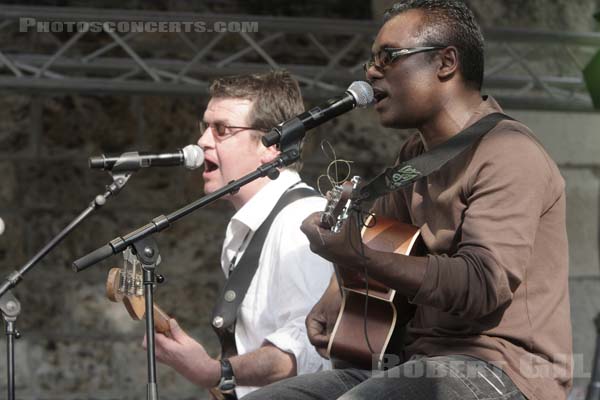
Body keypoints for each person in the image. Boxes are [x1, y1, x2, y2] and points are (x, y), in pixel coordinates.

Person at [244, 1, 572, 400]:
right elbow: (376, 238)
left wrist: (357, 258)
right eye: (371, 60)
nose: (370, 71)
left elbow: (482, 283)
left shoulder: (509, 152)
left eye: (388, 57)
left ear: (446, 62)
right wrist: (337, 286)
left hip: (502, 368)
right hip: (412, 361)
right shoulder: (414, 158)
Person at [145, 70, 333, 398]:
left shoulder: (300, 222)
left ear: (272, 147)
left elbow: (308, 350)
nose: (202, 141)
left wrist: (216, 371)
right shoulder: (250, 228)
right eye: (204, 127)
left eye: (221, 130)